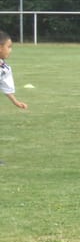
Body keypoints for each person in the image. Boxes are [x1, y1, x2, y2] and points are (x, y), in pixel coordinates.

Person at [0, 30, 29, 165]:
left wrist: (16, 102)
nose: (10, 50)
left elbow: (6, 87)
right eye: (9, 46)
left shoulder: (4, 68)